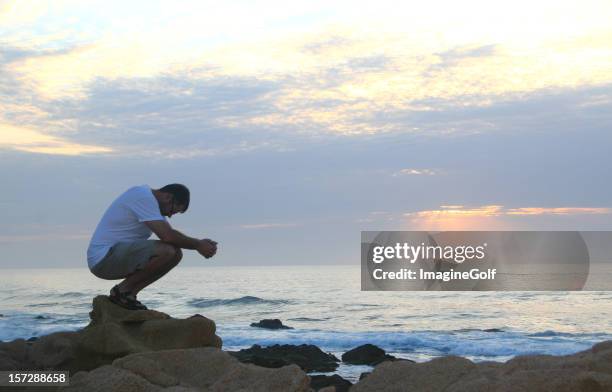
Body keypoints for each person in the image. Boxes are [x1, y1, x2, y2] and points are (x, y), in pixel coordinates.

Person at [86, 184, 217, 310]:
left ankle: (129, 295)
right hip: (104, 258)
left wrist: (199, 242)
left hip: (113, 256)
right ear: (168, 197)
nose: (170, 216)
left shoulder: (150, 202)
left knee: (176, 254)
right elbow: (168, 236)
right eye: (172, 211)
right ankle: (121, 291)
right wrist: (199, 245)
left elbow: (170, 232)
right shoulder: (142, 197)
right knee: (167, 251)